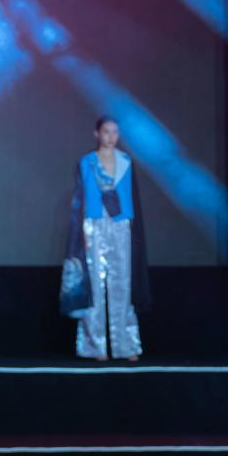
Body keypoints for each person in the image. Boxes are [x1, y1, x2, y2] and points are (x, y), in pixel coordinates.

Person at [60, 116, 149, 361]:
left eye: (115, 132)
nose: (111, 137)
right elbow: (81, 197)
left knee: (123, 284)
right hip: (94, 224)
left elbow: (130, 196)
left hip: (120, 224)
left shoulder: (125, 161)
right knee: (95, 286)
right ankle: (94, 346)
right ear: (97, 133)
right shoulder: (87, 162)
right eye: (106, 131)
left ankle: (127, 345)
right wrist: (83, 232)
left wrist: (130, 225)